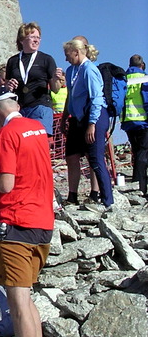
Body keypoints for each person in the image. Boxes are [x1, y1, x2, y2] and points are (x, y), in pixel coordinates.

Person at [0, 86, 54, 337]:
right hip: (42, 221)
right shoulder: (36, 127)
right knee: (28, 299)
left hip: (15, 222)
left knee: (17, 302)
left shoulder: (6, 134)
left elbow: (5, 182)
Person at [61, 38, 113, 210]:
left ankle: (107, 200)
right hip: (77, 118)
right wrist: (64, 117)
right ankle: (73, 196)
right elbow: (70, 95)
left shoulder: (90, 70)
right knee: (71, 155)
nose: (66, 58)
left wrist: (92, 124)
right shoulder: (70, 71)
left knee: (96, 158)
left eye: (67, 55)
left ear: (76, 53)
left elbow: (97, 98)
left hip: (95, 117)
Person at [6, 22, 63, 136]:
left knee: (39, 141)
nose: (36, 40)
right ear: (22, 40)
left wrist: (56, 79)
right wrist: (9, 86)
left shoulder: (46, 59)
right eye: (32, 37)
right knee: (23, 144)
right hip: (20, 108)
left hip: (40, 106)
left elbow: (55, 89)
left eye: (38, 37)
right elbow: (7, 86)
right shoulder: (13, 61)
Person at [121, 54, 148, 198]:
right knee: (143, 153)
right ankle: (140, 186)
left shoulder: (124, 78)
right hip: (142, 120)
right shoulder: (144, 77)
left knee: (137, 151)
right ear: (142, 65)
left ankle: (137, 184)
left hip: (127, 121)